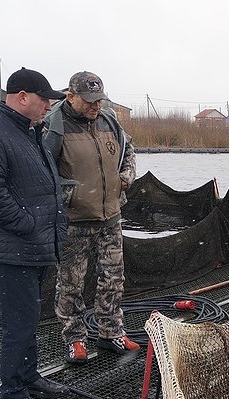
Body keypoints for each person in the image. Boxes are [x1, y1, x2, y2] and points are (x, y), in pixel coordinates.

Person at [0, 67, 70, 399]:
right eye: (44, 100)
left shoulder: (30, 132)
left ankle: (28, 376)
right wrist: (27, 224)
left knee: (30, 316)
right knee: (18, 322)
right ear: (22, 96)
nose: (48, 107)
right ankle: (11, 394)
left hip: (37, 245)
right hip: (13, 248)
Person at [44, 71, 139, 364]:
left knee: (113, 278)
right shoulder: (53, 127)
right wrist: (65, 197)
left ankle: (111, 333)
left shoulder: (110, 121)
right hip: (73, 222)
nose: (95, 106)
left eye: (99, 100)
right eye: (88, 101)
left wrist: (126, 176)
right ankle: (75, 338)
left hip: (110, 216)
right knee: (71, 283)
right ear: (70, 96)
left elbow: (129, 151)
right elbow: (41, 171)